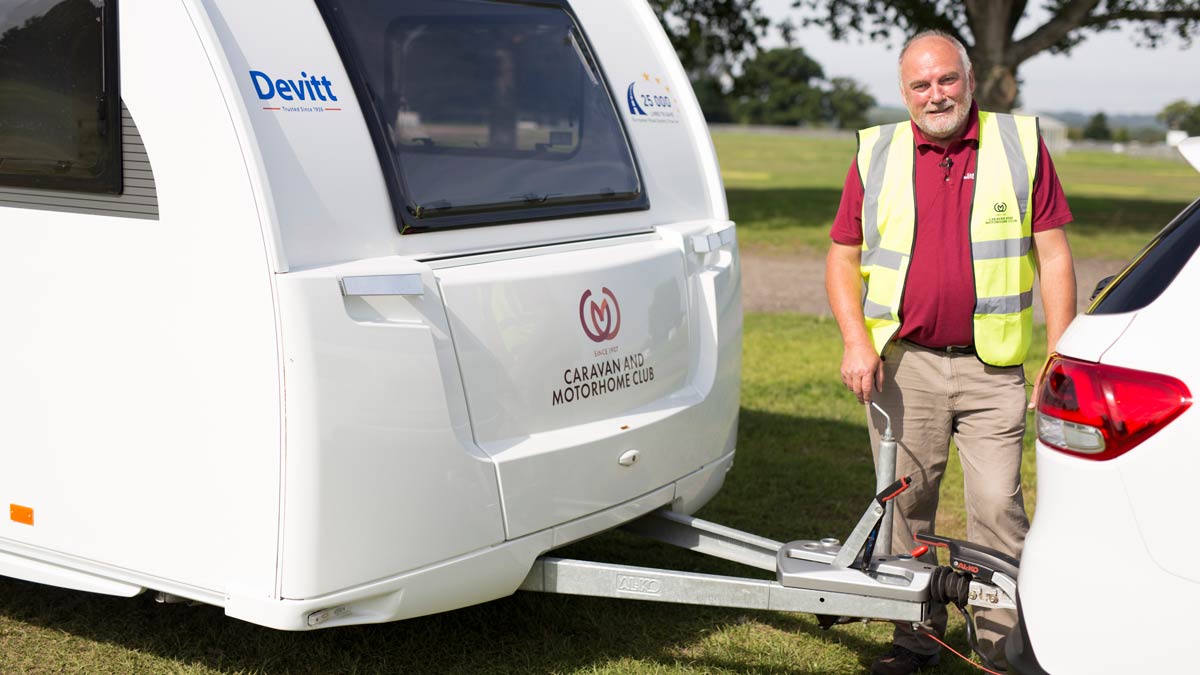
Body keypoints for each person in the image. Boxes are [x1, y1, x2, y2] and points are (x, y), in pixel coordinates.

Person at [824, 30, 1076, 675]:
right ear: (904, 91)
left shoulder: (1019, 145)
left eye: (947, 80)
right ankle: (914, 640)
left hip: (992, 370)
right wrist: (856, 339)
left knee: (998, 508)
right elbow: (842, 255)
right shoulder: (876, 152)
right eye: (921, 84)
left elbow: (1053, 255)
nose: (936, 95)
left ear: (969, 79)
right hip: (904, 367)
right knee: (905, 509)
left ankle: (1005, 648)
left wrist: (1061, 350)